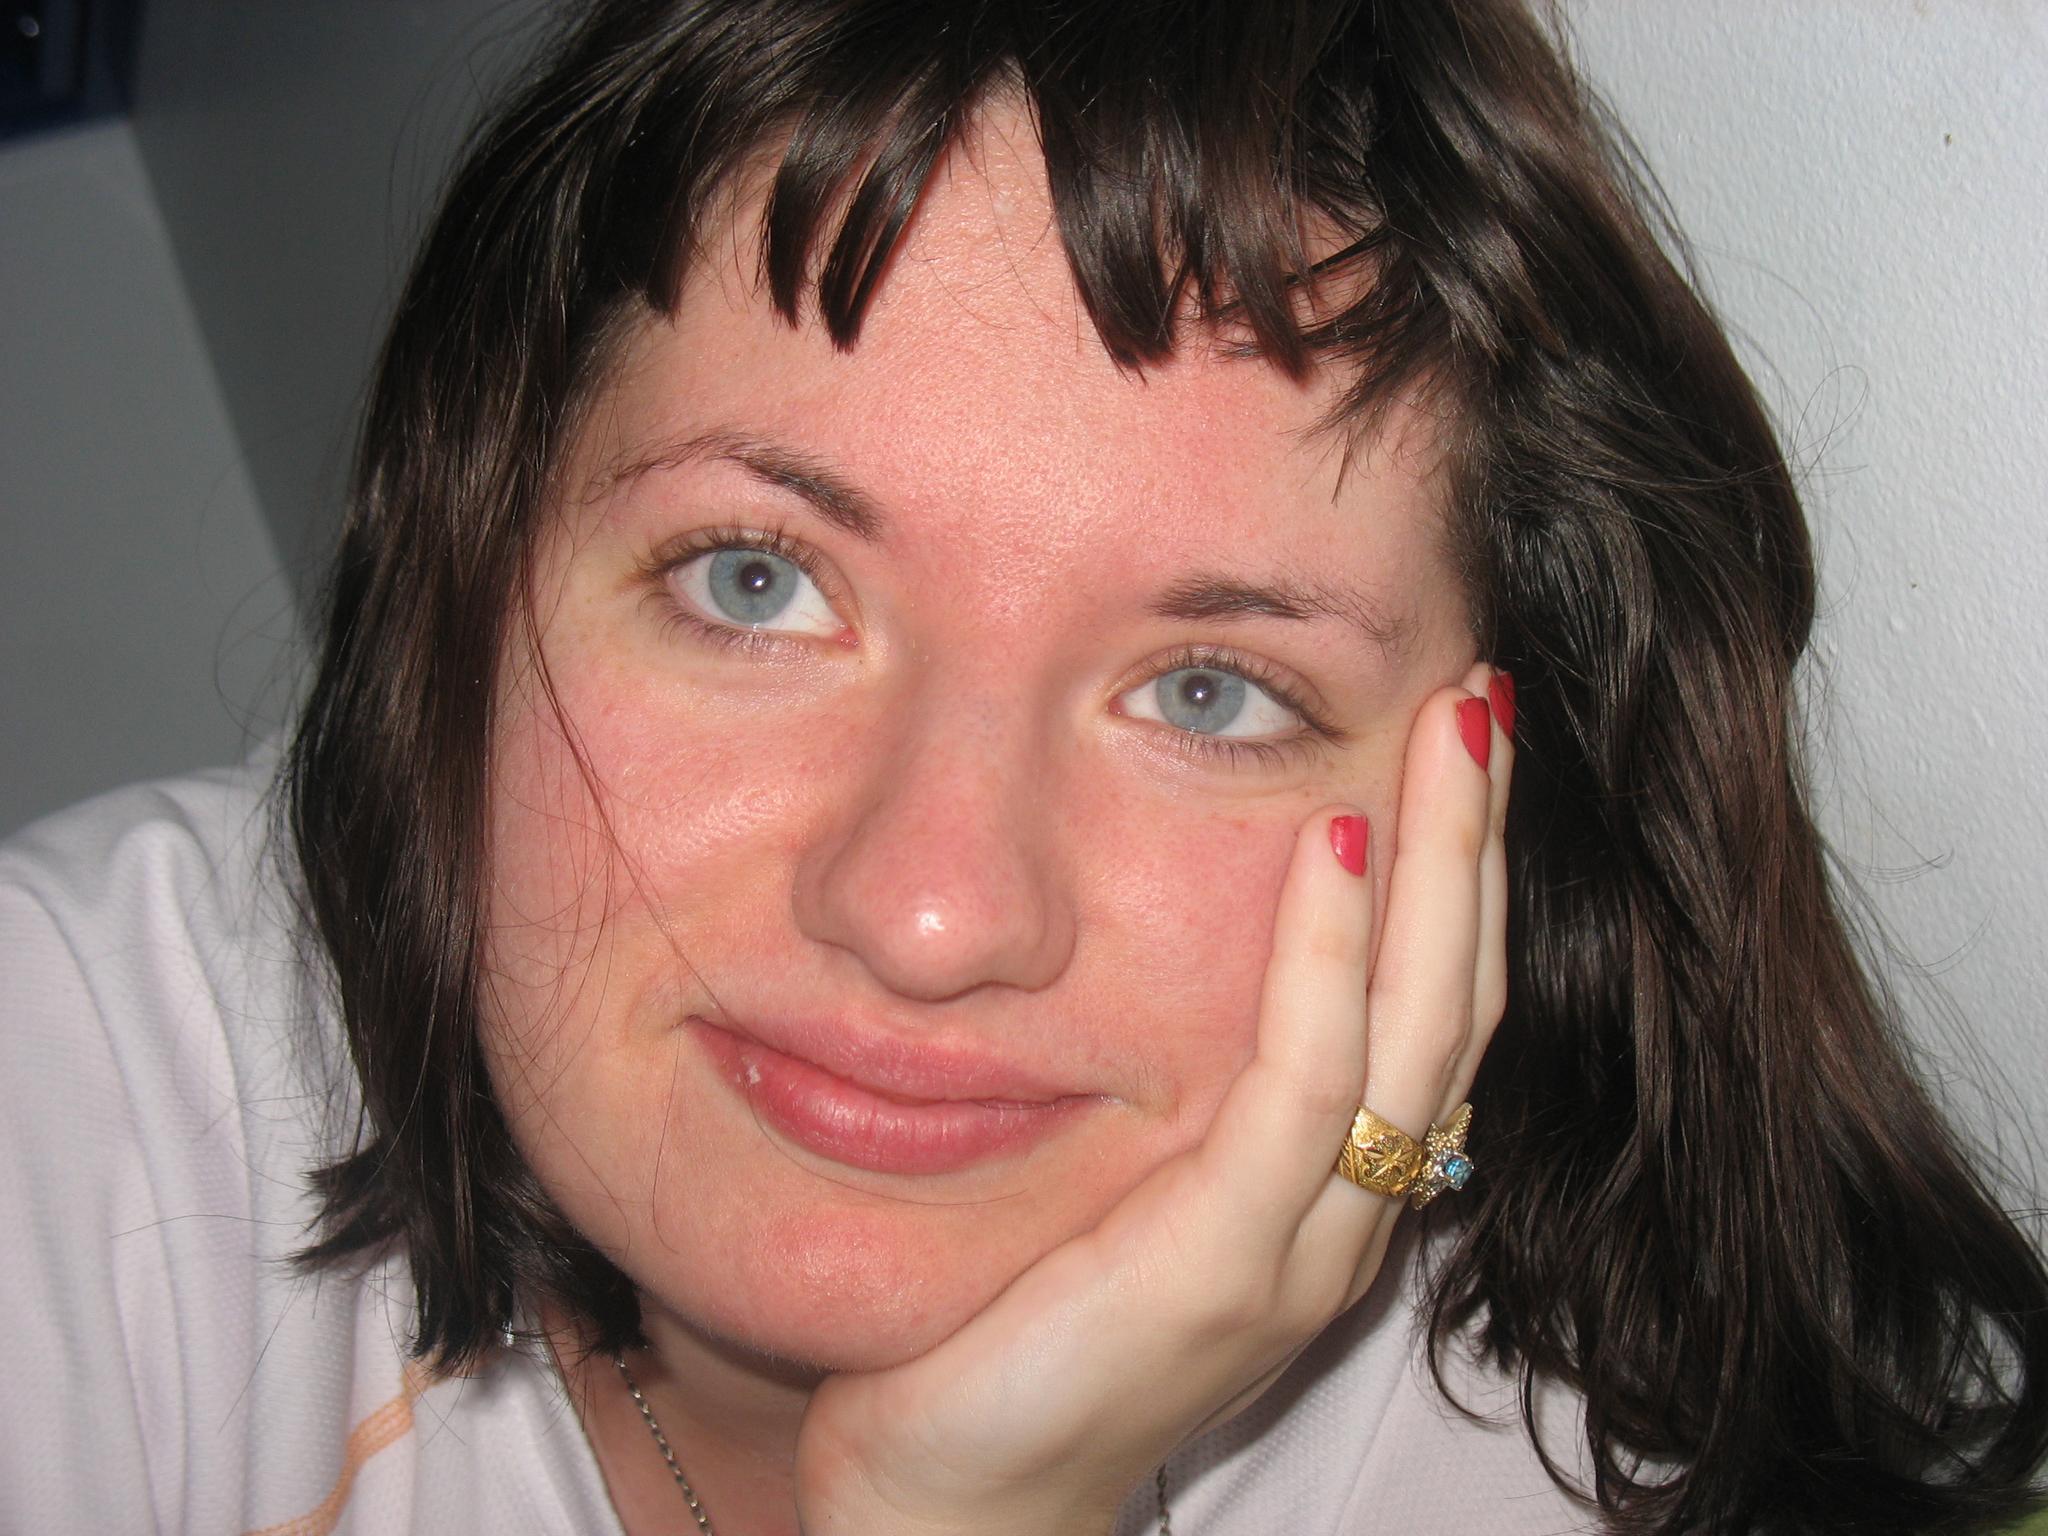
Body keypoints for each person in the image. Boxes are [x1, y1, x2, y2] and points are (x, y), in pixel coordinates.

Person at [3, 1, 2045, 1532]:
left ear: (1485, 811)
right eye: (752, 579)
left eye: (1207, 691)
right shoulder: (81, 1097)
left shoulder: (1584, 1464)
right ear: (467, 573)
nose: (927, 909)